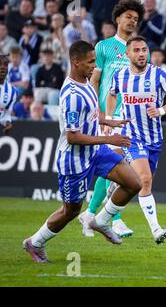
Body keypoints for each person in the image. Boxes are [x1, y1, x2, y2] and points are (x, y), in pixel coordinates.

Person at [22, 40, 142, 263]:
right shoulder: (71, 95)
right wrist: (110, 138)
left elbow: (92, 114)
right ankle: (35, 242)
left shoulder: (86, 83)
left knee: (134, 183)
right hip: (74, 160)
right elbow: (72, 136)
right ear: (75, 62)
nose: (94, 66)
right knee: (71, 211)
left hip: (95, 151)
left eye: (95, 61)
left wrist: (108, 121)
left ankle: (101, 220)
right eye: (90, 62)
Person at [106, 36, 166, 244]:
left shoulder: (159, 74)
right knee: (145, 180)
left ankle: (103, 214)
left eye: (144, 50)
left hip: (155, 139)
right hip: (131, 136)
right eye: (137, 50)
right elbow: (112, 94)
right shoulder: (120, 75)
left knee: (137, 181)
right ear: (127, 54)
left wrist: (160, 110)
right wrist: (110, 118)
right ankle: (156, 229)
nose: (141, 54)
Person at [78, 0, 145, 239]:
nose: (132, 21)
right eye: (128, 16)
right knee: (116, 166)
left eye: (136, 19)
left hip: (131, 116)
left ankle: (90, 213)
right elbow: (94, 80)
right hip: (110, 115)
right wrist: (98, 111)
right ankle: (113, 219)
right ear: (117, 19)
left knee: (114, 168)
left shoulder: (138, 48)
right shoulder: (104, 47)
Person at [0, 55, 18, 133]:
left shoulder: (13, 92)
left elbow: (5, 113)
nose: (2, 67)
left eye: (5, 64)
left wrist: (7, 122)